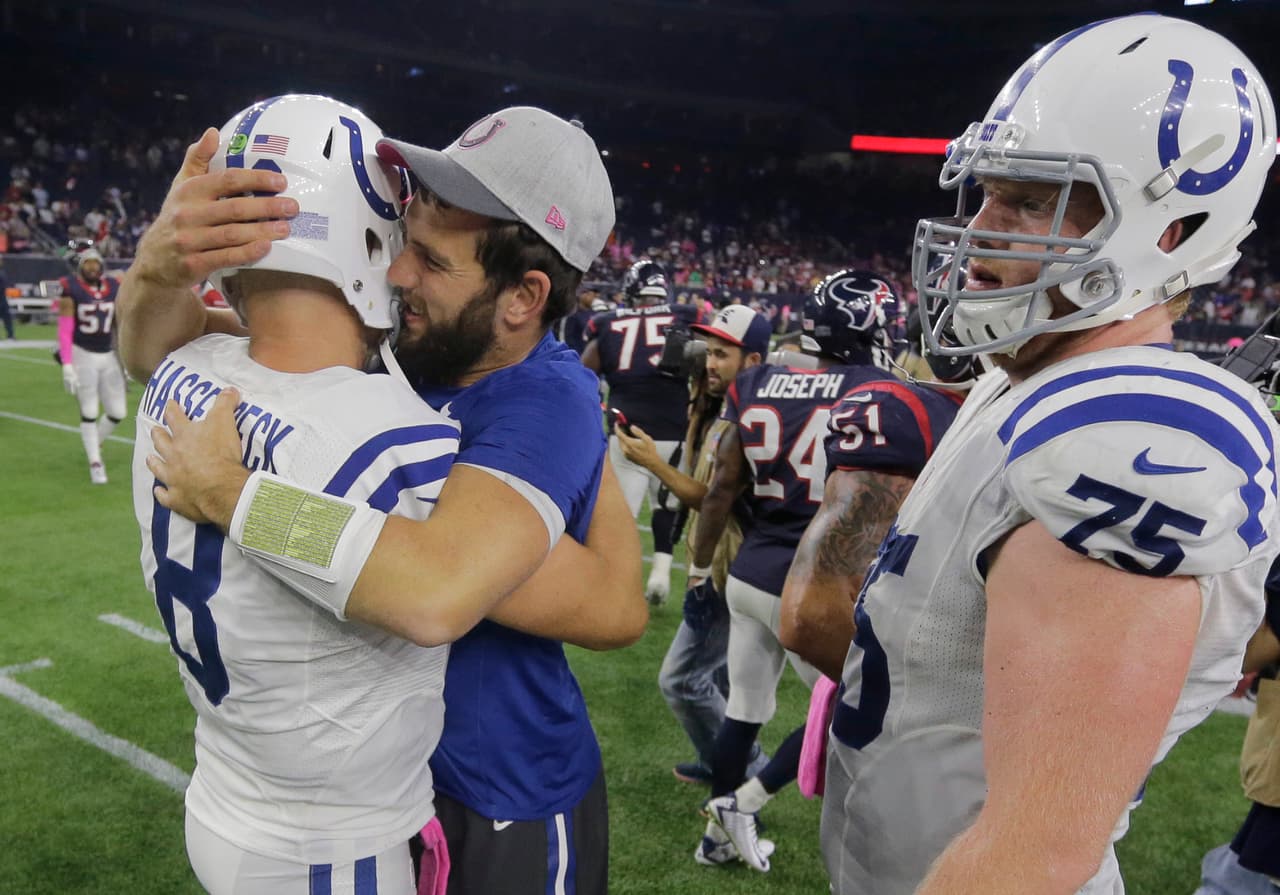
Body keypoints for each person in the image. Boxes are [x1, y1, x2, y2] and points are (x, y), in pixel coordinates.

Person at [120, 104, 646, 895]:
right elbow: (158, 344)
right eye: (405, 242)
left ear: (522, 297)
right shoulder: (411, 335)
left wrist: (240, 494)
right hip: (391, 781)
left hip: (506, 788)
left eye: (431, 261)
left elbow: (499, 596)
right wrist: (160, 265)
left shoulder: (541, 405)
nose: (397, 273)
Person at [821, 15, 1280, 894]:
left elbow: (1032, 857)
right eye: (989, 192)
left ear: (1170, 231)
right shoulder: (1018, 383)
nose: (981, 229)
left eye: (1031, 200)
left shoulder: (1126, 433)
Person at [131, 94, 473, 895]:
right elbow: (464, 590)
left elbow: (146, 338)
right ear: (367, 235)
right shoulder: (394, 437)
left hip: (223, 790)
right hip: (326, 844)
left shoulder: (182, 369)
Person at [691, 270, 905, 872]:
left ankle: (716, 834)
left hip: (752, 570)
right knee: (853, 702)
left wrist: (696, 570)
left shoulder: (758, 378)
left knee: (746, 708)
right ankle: (747, 803)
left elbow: (724, 482)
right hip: (817, 578)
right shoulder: (876, 387)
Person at [614, 304, 772, 791]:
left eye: (723, 354)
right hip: (738, 558)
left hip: (732, 563)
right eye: (710, 351)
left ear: (752, 361)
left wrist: (651, 463)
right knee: (723, 677)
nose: (709, 362)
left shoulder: (743, 418)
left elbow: (710, 498)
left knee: (682, 681)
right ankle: (726, 756)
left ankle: (743, 773)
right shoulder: (726, 404)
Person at [583, 259, 705, 605]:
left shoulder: (608, 323)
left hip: (628, 431)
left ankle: (612, 585)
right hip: (674, 431)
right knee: (666, 504)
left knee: (621, 515)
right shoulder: (684, 316)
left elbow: (584, 373)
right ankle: (661, 576)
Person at [58, 248, 127, 483]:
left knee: (118, 412)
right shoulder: (71, 288)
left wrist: (124, 356)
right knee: (88, 410)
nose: (92, 268)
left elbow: (119, 323)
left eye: (95, 263)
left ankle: (94, 441)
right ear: (80, 266)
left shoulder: (113, 286)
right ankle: (95, 462)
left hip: (106, 354)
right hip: (82, 353)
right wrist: (67, 363)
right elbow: (65, 328)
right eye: (87, 263)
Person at [0, 258, 14, 340]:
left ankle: (10, 335)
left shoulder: (2, 272)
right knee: (7, 318)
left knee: (7, 318)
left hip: (2, 298)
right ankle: (10, 335)